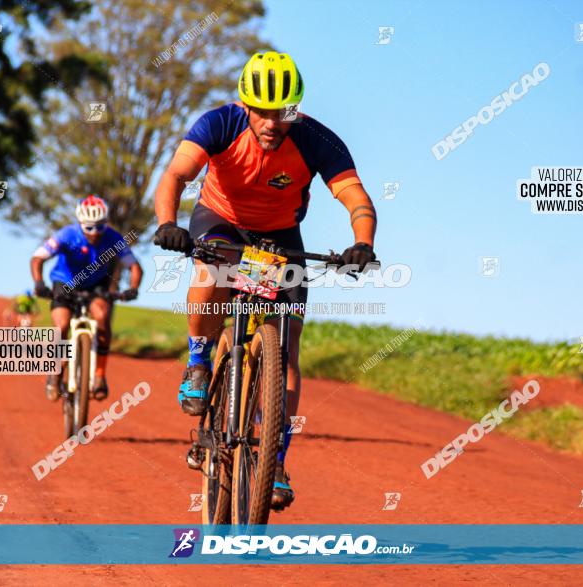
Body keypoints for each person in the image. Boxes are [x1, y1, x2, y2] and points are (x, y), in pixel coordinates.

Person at [152, 51, 378, 510]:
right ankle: (198, 363)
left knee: (287, 346)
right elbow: (176, 174)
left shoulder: (315, 139)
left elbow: (355, 196)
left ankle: (274, 460)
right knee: (211, 271)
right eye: (262, 111)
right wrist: (166, 221)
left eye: (284, 112)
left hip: (280, 238)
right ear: (244, 105)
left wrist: (363, 242)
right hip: (221, 220)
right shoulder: (219, 124)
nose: (273, 122)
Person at [31, 195, 143, 401]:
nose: (95, 233)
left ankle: (99, 375)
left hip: (96, 286)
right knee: (62, 325)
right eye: (89, 228)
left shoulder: (114, 238)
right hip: (64, 283)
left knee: (101, 317)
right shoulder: (67, 235)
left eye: (100, 227)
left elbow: (134, 267)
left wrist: (132, 288)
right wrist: (39, 283)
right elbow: (38, 258)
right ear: (80, 223)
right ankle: (55, 372)